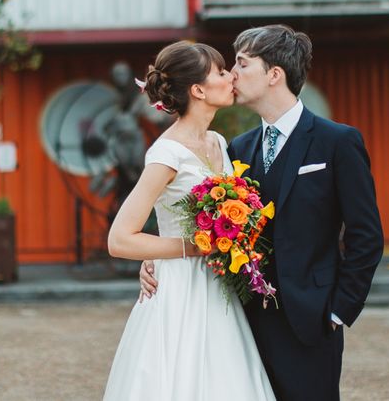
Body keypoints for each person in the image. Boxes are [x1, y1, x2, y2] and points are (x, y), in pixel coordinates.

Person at [141, 25, 384, 400]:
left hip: (312, 321)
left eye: (241, 63)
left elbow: (366, 235)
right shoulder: (235, 149)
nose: (232, 74)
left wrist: (339, 311)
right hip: (240, 322)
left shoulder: (337, 142)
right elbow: (198, 215)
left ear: (274, 74)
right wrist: (155, 258)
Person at [104, 41, 275, 400]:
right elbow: (120, 239)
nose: (231, 77)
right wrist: (192, 247)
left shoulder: (217, 141)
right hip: (182, 290)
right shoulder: (166, 154)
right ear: (198, 90)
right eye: (220, 71)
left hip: (219, 286)